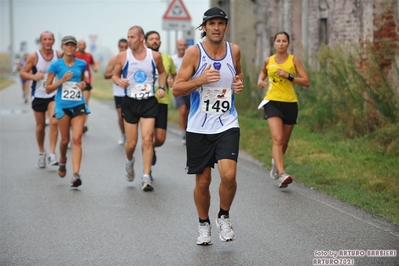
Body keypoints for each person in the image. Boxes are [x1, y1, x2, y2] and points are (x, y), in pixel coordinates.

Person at [172, 7, 244, 245]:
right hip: (199, 127)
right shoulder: (194, 53)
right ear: (204, 27)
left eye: (220, 23)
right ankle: (203, 224)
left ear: (225, 26)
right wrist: (201, 79)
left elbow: (238, 74)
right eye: (211, 23)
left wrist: (238, 83)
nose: (216, 27)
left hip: (227, 123)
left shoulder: (234, 51)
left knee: (229, 175)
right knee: (203, 182)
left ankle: (223, 215)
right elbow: (177, 88)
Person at [112, 26, 166, 192]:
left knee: (148, 139)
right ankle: (130, 161)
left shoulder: (154, 56)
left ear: (141, 38)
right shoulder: (122, 56)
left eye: (132, 37)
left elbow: (163, 73)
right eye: (128, 37)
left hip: (148, 101)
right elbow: (115, 75)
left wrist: (161, 87)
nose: (129, 40)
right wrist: (118, 81)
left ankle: (146, 176)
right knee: (131, 144)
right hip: (130, 102)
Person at [257, 31, 310, 188]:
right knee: (278, 139)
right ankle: (281, 174)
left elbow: (306, 82)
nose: (281, 43)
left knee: (284, 141)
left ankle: (276, 162)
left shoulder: (294, 61)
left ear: (288, 43)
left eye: (284, 41)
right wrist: (260, 80)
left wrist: (289, 76)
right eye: (278, 41)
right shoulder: (269, 60)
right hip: (272, 102)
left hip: (290, 103)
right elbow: (263, 72)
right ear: (274, 43)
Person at [46, 36, 89, 188]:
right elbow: (48, 88)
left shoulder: (82, 64)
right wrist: (62, 80)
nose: (70, 48)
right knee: (65, 140)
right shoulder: (55, 65)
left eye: (72, 45)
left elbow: (82, 81)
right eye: (67, 45)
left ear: (76, 47)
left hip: (78, 104)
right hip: (62, 105)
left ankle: (76, 174)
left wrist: (83, 85)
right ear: (62, 47)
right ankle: (63, 160)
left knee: (77, 139)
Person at [20, 31, 62, 168]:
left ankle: (52, 154)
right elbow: (23, 72)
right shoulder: (34, 56)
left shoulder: (58, 55)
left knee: (54, 122)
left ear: (54, 41)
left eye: (50, 39)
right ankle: (41, 152)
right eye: (45, 39)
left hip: (54, 94)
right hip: (38, 94)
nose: (48, 41)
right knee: (40, 127)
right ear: (41, 41)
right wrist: (34, 77)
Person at [144, 30, 177, 172]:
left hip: (162, 102)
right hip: (145, 101)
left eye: (157, 39)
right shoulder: (141, 58)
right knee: (148, 137)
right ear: (145, 42)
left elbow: (174, 76)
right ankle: (147, 172)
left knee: (160, 139)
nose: (154, 41)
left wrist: (172, 82)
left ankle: (151, 148)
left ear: (160, 42)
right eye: (151, 39)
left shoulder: (167, 58)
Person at [104, 38, 128, 145]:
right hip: (118, 92)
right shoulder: (114, 58)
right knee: (120, 115)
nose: (123, 49)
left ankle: (130, 134)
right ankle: (123, 133)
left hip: (130, 91)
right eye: (121, 47)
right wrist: (116, 73)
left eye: (125, 47)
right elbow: (106, 74)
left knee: (129, 115)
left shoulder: (132, 57)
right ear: (118, 47)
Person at [75, 39, 99, 133]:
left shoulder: (89, 55)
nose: (82, 46)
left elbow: (93, 64)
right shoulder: (74, 55)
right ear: (77, 46)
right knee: (75, 103)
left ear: (85, 46)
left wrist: (95, 68)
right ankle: (75, 122)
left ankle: (84, 124)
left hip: (87, 81)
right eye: (80, 44)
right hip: (75, 82)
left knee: (84, 103)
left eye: (83, 44)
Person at [171, 38, 190, 145]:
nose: (182, 47)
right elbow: (169, 75)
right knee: (182, 110)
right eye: (180, 45)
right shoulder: (173, 59)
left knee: (188, 112)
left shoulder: (189, 58)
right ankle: (183, 134)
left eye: (184, 45)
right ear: (177, 46)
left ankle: (188, 131)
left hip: (189, 88)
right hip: (178, 89)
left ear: (186, 46)